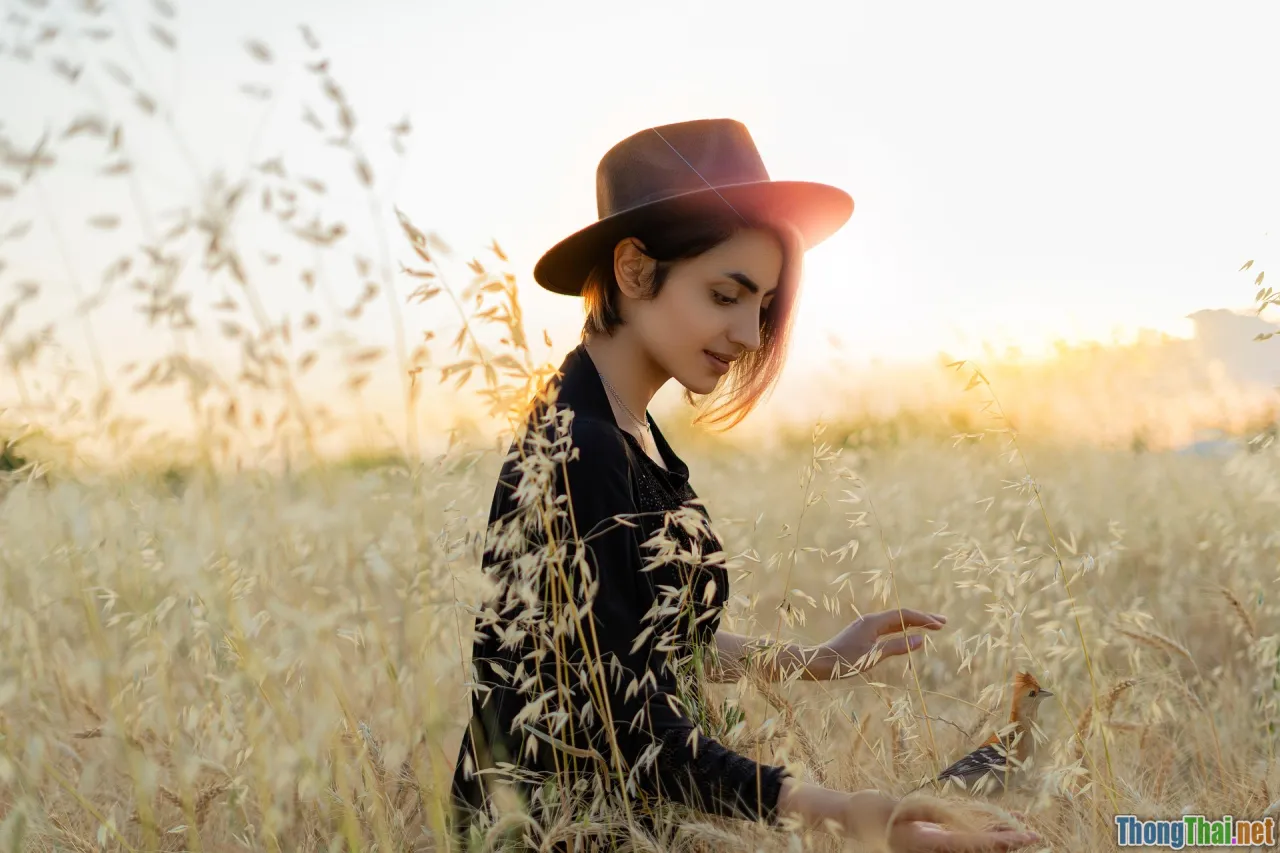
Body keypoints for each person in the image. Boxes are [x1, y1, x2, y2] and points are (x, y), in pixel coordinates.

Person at [450, 118, 1040, 852]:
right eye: (726, 294)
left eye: (762, 306)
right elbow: (632, 733)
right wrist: (859, 816)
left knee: (984, 789)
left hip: (637, 820)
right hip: (557, 834)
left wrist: (816, 661)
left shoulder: (628, 431)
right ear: (634, 271)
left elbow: (646, 647)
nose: (752, 337)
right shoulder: (580, 448)